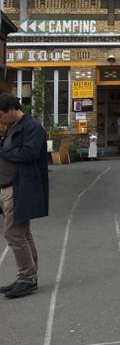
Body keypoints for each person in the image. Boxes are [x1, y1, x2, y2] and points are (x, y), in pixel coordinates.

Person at [0, 93, 49, 299]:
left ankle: (27, 279)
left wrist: (2, 152)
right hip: (9, 187)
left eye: (1, 115)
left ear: (11, 110)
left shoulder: (32, 127)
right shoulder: (12, 126)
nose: (0, 119)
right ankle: (28, 276)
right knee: (23, 233)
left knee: (14, 234)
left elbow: (29, 153)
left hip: (19, 188)